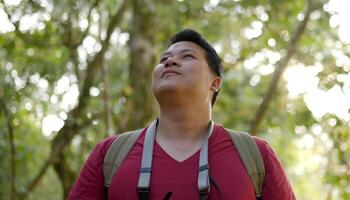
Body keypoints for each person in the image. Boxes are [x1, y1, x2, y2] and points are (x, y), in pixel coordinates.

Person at [68, 29, 296, 200]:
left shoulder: (256, 156)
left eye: (187, 56)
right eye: (163, 59)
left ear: (215, 83)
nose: (170, 61)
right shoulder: (110, 154)